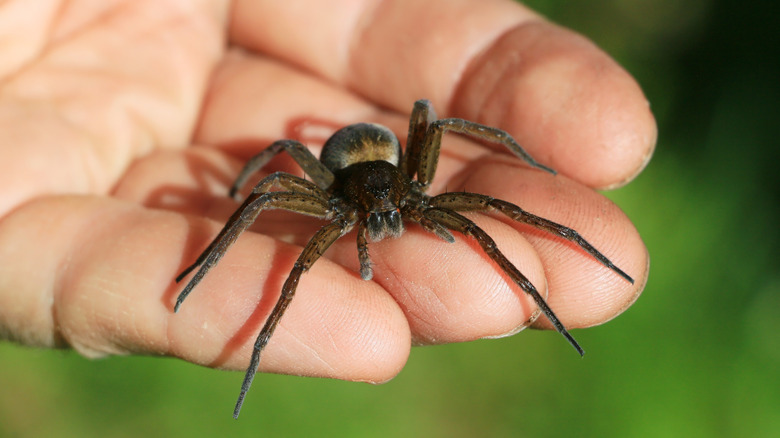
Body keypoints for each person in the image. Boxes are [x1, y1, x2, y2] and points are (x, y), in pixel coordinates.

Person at [0, 1, 653, 385]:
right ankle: (239, 317)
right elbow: (280, 165)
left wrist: (522, 159)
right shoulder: (332, 198)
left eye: (395, 207)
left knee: (487, 211)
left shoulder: (416, 189)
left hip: (381, 156)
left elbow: (440, 122)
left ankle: (568, 264)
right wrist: (237, 191)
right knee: (287, 244)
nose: (391, 218)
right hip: (346, 160)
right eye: (385, 213)